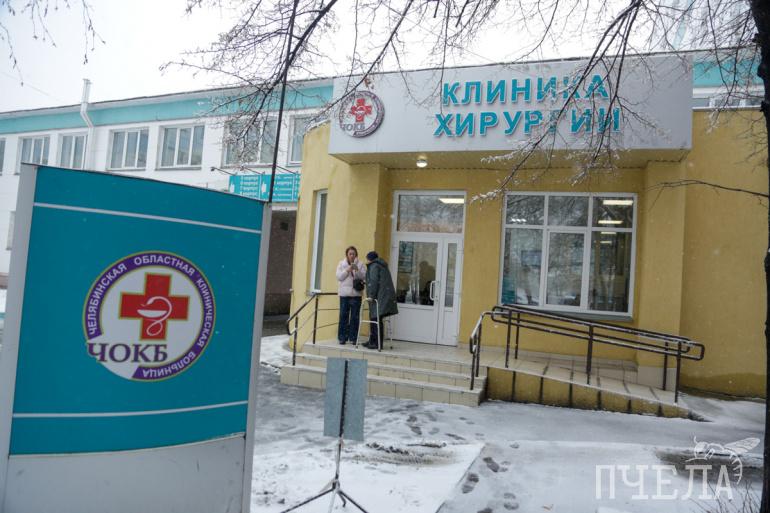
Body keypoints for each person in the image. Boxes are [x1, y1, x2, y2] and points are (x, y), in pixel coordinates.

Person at [364, 251, 398, 349]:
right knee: (375, 318)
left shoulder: (374, 266)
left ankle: (377, 343)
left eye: (367, 259)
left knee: (376, 319)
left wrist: (371, 295)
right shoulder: (382, 265)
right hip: (384, 296)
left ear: (370, 259)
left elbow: (374, 282)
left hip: (379, 297)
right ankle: (373, 340)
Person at [336, 246, 366, 345]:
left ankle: (353, 338)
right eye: (350, 254)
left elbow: (364, 277)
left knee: (355, 317)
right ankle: (342, 337)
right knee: (343, 316)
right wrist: (347, 270)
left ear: (356, 255)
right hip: (344, 295)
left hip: (356, 294)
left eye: (353, 254)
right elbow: (339, 277)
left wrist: (356, 270)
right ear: (347, 255)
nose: (352, 255)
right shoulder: (341, 264)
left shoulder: (360, 264)